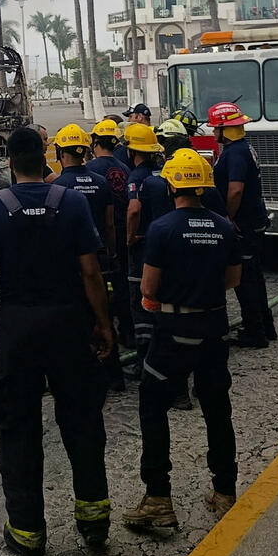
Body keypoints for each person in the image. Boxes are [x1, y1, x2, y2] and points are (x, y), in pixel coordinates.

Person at [0, 126, 113, 556]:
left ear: (10, 162)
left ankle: (27, 532)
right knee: (83, 420)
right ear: (44, 158)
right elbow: (90, 272)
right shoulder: (73, 203)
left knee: (18, 426)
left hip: (18, 328)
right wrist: (104, 324)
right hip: (69, 322)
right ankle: (94, 520)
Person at [122, 149, 242, 530]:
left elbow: (148, 288)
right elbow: (233, 280)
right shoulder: (224, 227)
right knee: (217, 407)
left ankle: (158, 497)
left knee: (153, 405)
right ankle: (225, 490)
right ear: (204, 187)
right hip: (213, 327)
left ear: (172, 186)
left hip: (174, 331)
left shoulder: (162, 229)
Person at [53, 124, 125, 392]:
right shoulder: (101, 182)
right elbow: (109, 224)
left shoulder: (57, 187)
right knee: (104, 314)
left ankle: (80, 375)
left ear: (60, 152)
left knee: (75, 319)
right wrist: (111, 253)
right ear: (85, 151)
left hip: (72, 266)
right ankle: (114, 375)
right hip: (101, 261)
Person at [208, 102, 276, 348]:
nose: (213, 132)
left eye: (216, 128)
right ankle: (266, 327)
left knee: (244, 279)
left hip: (243, 224)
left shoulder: (234, 153)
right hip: (253, 219)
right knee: (254, 276)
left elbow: (235, 190)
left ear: (225, 129)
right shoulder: (243, 148)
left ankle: (255, 333)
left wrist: (227, 218)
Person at [89, 119, 133, 348]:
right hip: (123, 232)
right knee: (123, 284)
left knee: (99, 287)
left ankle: (104, 333)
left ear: (95, 141)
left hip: (100, 239)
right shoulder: (125, 168)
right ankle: (128, 331)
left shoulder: (91, 170)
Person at [124, 122, 162, 370]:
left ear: (132, 151)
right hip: (162, 247)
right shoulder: (162, 172)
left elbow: (134, 209)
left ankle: (144, 362)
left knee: (140, 304)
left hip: (142, 247)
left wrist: (129, 237)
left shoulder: (136, 176)